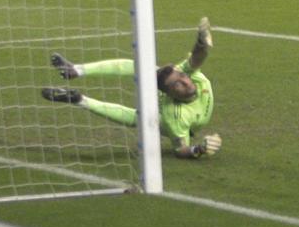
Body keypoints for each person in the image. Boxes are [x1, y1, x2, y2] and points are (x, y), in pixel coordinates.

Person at [43, 18, 221, 158]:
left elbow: (197, 57)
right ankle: (77, 79)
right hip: (175, 119)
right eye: (177, 85)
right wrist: (198, 149)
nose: (186, 82)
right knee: (140, 118)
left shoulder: (188, 75)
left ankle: (77, 93)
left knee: (145, 71)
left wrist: (201, 42)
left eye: (182, 78)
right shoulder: (174, 117)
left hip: (175, 107)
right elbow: (181, 149)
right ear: (169, 94)